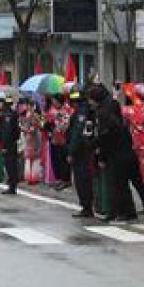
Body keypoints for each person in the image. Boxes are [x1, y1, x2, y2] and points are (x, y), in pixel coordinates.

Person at [90, 84, 141, 223]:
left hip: (115, 151)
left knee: (118, 184)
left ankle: (122, 212)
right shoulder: (112, 106)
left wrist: (100, 153)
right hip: (124, 148)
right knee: (121, 183)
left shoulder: (103, 113)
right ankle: (126, 212)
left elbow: (105, 136)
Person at [66, 89, 95, 217]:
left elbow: (77, 133)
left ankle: (87, 207)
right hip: (86, 149)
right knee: (84, 178)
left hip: (81, 151)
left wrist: (71, 152)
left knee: (82, 179)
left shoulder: (81, 113)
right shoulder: (87, 110)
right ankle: (87, 205)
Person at [0, 98, 21, 195]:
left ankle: (12, 187)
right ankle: (12, 186)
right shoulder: (14, 114)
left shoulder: (6, 115)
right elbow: (17, 131)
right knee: (12, 165)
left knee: (10, 165)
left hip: (8, 144)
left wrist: (4, 146)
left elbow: (6, 132)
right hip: (13, 143)